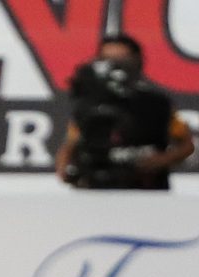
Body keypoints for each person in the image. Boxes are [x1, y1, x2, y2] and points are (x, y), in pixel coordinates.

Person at [55, 34, 195, 190]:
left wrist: (161, 160)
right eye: (107, 59)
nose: (114, 66)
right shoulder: (89, 104)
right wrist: (65, 167)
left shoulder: (156, 103)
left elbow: (186, 145)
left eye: (121, 59)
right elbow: (72, 142)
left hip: (146, 190)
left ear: (137, 60)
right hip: (96, 189)